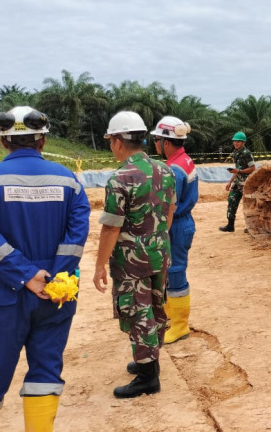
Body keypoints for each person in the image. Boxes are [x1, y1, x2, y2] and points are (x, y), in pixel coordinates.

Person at [0, 106, 90, 432]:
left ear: (3, 141)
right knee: (45, 370)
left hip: (3, 291)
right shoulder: (70, 182)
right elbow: (76, 237)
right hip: (56, 292)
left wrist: (25, 275)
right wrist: (55, 277)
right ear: (42, 141)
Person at [92, 111, 176, 399]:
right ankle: (149, 360)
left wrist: (100, 265)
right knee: (155, 306)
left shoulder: (120, 178)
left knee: (137, 311)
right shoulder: (166, 171)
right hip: (159, 253)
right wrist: (156, 240)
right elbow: (169, 213)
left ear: (117, 141)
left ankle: (147, 377)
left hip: (131, 261)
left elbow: (110, 228)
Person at [150, 115, 198, 344]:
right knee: (170, 271)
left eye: (156, 140)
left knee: (176, 272)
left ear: (165, 142)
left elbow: (170, 207)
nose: (154, 144)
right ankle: (172, 317)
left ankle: (180, 326)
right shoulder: (183, 160)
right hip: (182, 221)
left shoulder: (174, 170)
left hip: (176, 224)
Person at [219, 131, 256, 232]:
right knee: (232, 202)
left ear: (243, 142)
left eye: (238, 141)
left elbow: (252, 168)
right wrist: (230, 182)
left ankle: (251, 226)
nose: (236, 143)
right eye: (234, 141)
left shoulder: (247, 153)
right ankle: (230, 226)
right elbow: (237, 169)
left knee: (249, 205)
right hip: (237, 182)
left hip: (246, 183)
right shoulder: (235, 153)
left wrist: (239, 171)